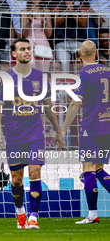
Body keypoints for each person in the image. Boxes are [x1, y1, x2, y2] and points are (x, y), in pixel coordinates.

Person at [0, 38, 63, 229]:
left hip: (35, 134)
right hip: (14, 136)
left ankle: (33, 217)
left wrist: (58, 132)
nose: (27, 52)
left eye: (28, 49)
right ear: (14, 54)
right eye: (22, 49)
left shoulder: (40, 77)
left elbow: (48, 107)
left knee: (35, 172)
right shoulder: (5, 78)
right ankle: (20, 212)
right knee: (16, 179)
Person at [61, 40, 110, 224]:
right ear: (96, 54)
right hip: (108, 127)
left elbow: (75, 103)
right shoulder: (108, 71)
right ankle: (92, 215)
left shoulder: (82, 75)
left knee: (88, 169)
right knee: (99, 170)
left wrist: (63, 129)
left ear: (79, 54)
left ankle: (92, 215)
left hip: (92, 128)